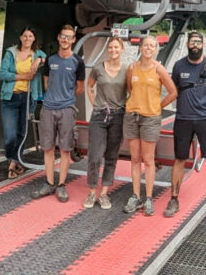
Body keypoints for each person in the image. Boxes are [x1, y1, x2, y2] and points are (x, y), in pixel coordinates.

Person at [164, 30, 206, 219]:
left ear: (203, 45)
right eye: (192, 42)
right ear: (187, 44)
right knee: (180, 159)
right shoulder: (178, 66)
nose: (195, 45)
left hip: (204, 118)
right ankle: (174, 198)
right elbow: (174, 89)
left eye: (198, 42)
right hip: (183, 119)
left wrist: (204, 106)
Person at [123, 35, 177, 216]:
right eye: (146, 45)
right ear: (140, 48)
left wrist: (157, 106)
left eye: (152, 46)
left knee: (148, 160)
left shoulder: (159, 69)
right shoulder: (132, 68)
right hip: (132, 116)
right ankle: (135, 195)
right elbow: (130, 88)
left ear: (156, 49)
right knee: (135, 159)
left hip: (150, 118)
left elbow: (173, 92)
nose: (148, 48)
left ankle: (148, 197)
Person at [31, 24, 85, 202]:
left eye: (69, 37)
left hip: (67, 109)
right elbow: (46, 84)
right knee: (47, 147)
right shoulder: (51, 60)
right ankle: (48, 182)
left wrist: (66, 97)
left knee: (65, 149)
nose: (65, 40)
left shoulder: (78, 62)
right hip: (48, 108)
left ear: (74, 40)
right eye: (63, 36)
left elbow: (80, 88)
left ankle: (61, 185)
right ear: (58, 38)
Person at [83, 36, 127, 210]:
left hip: (118, 116)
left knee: (111, 156)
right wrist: (95, 104)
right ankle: (92, 191)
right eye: (111, 48)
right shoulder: (98, 69)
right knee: (94, 155)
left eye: (117, 47)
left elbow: (131, 90)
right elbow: (89, 86)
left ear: (122, 49)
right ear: (107, 50)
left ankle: (104, 193)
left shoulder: (127, 70)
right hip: (100, 116)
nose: (113, 51)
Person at [0, 26, 46, 178]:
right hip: (11, 96)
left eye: (30, 36)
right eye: (25, 36)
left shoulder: (38, 54)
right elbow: (3, 74)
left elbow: (48, 59)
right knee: (10, 135)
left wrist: (39, 60)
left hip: (28, 97)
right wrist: (23, 76)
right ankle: (12, 157)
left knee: (22, 131)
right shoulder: (11, 53)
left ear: (34, 39)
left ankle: (14, 163)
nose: (27, 39)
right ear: (20, 38)